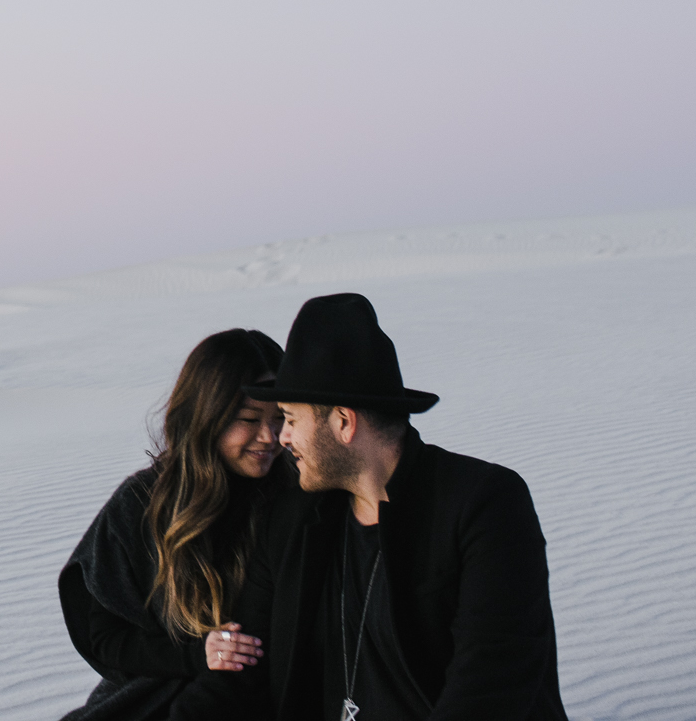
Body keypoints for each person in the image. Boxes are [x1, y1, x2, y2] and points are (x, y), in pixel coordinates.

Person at [174, 293, 567, 721]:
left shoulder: (483, 504)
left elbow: (493, 682)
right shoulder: (292, 520)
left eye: (290, 417)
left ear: (343, 422)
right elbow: (245, 670)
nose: (282, 438)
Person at [58, 329, 292, 721]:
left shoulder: (293, 499)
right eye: (249, 419)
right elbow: (105, 637)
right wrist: (195, 654)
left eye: (281, 419)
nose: (268, 437)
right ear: (207, 416)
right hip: (151, 698)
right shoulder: (141, 504)